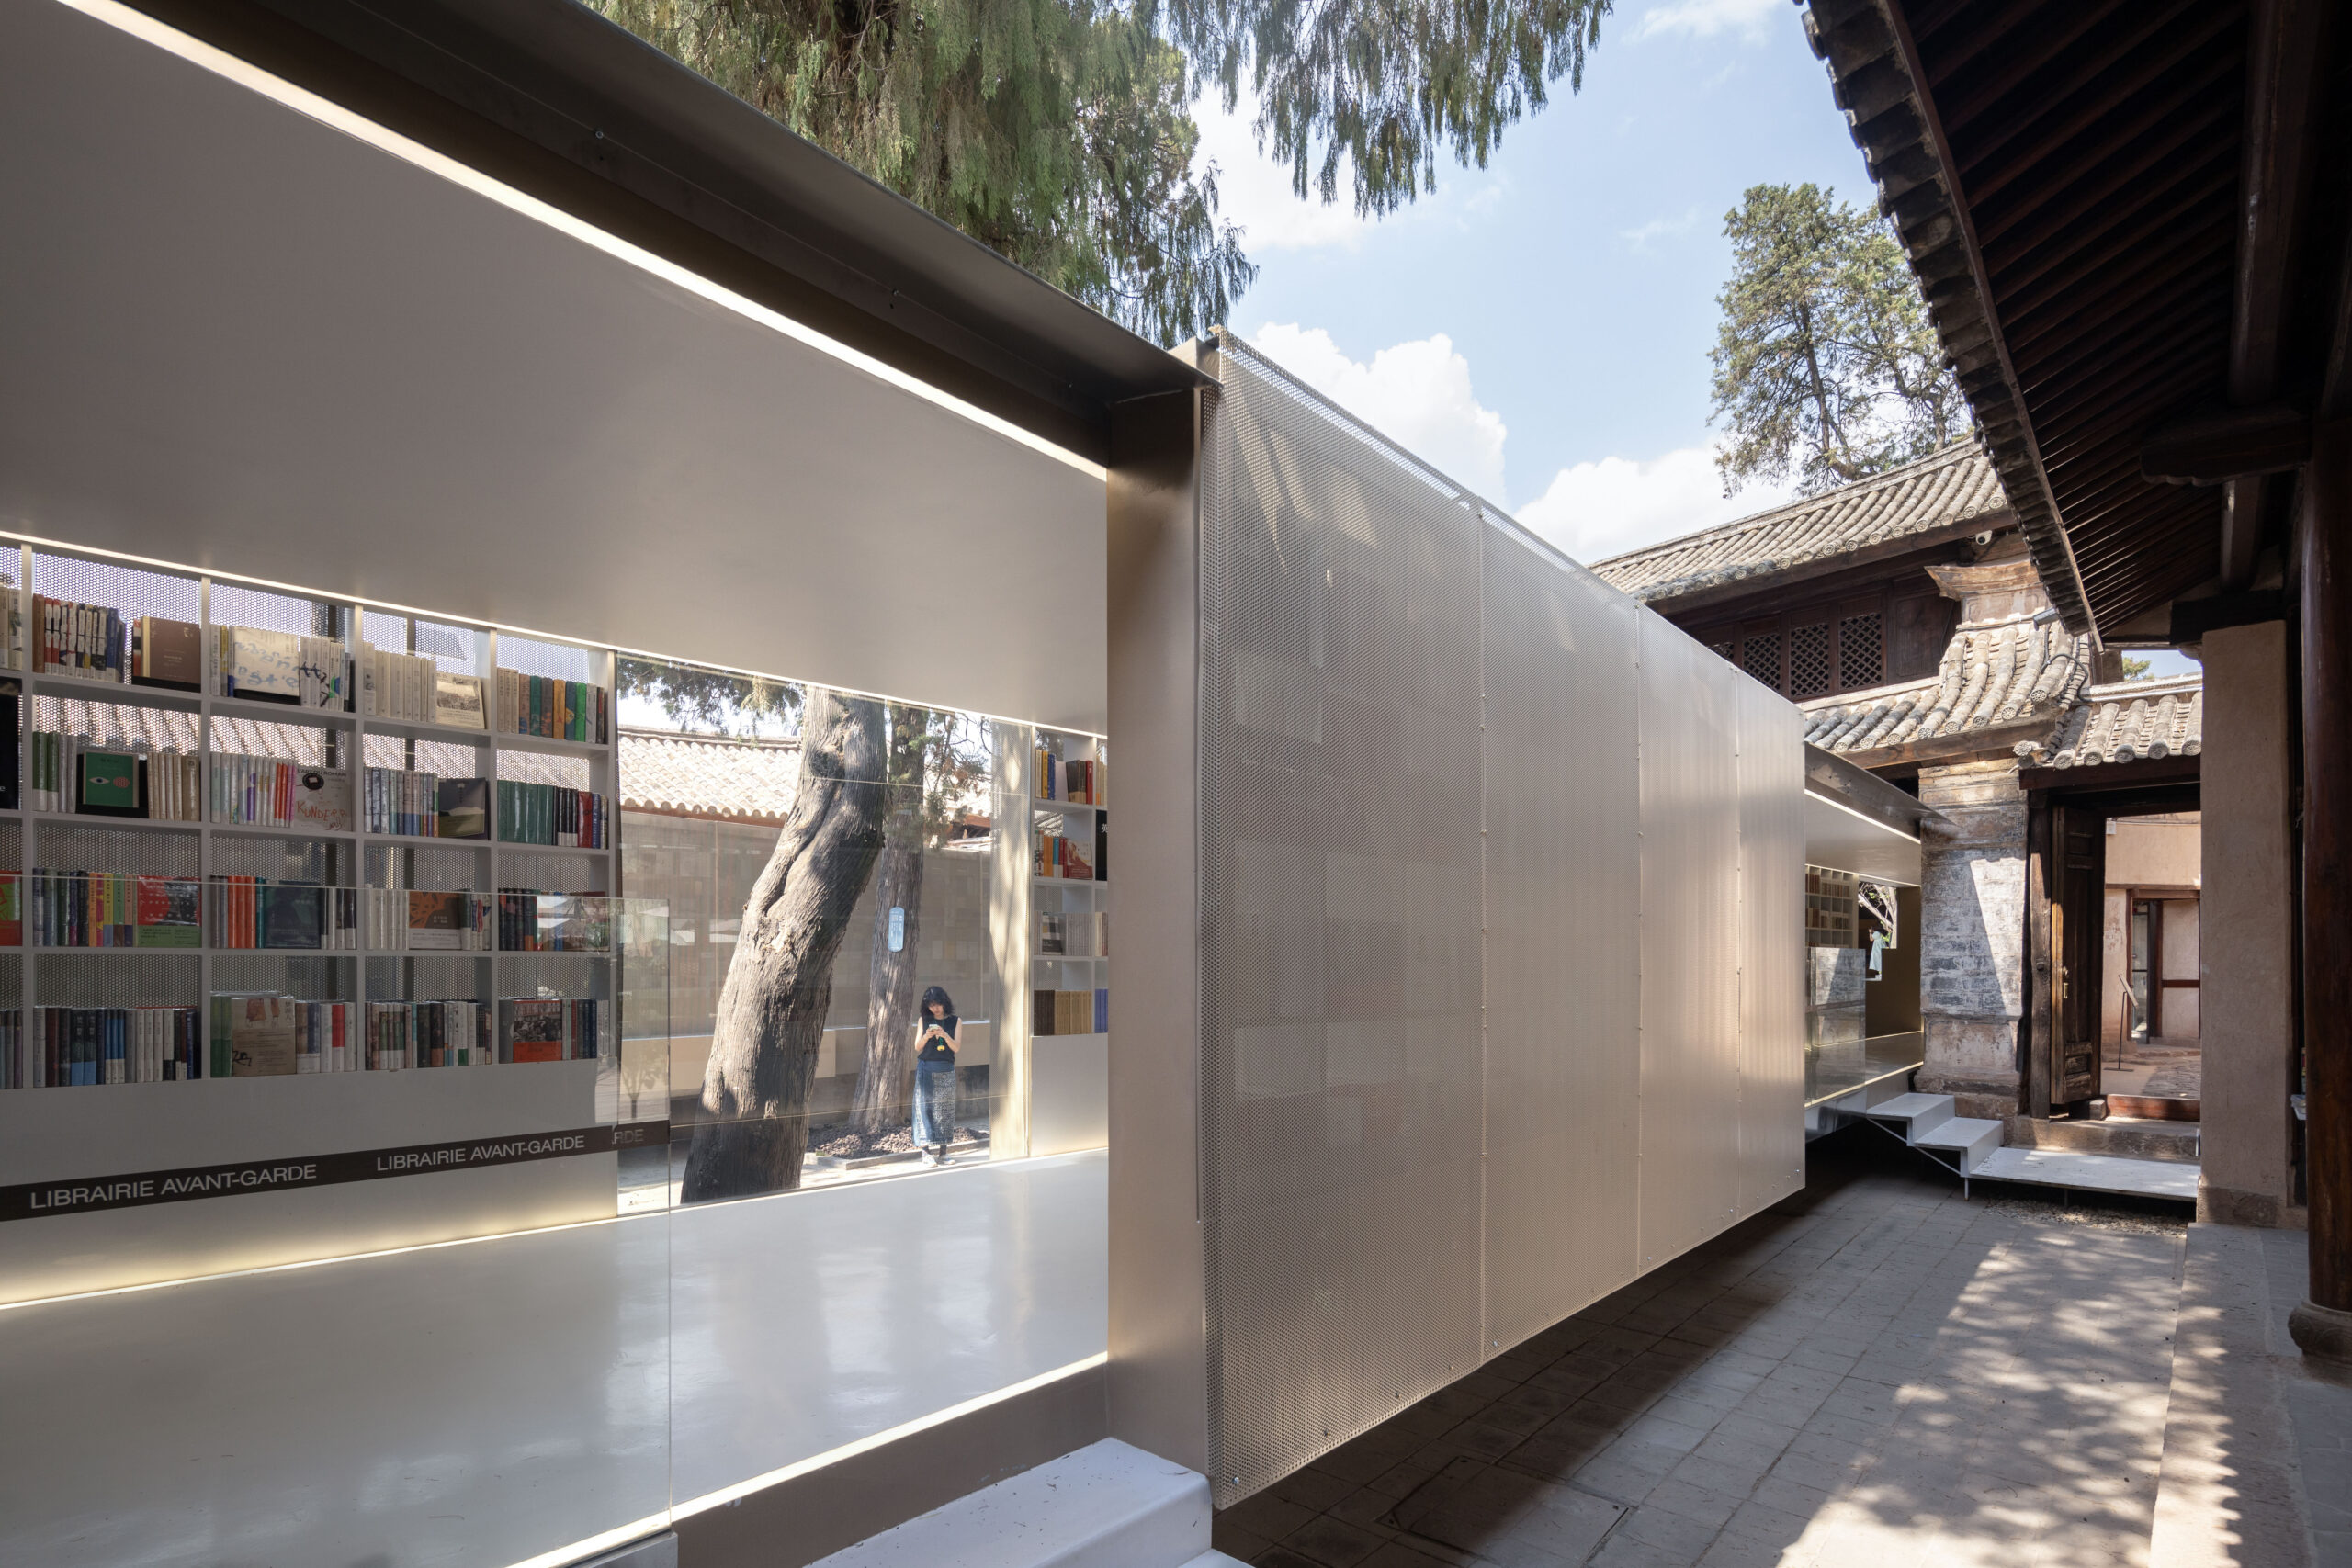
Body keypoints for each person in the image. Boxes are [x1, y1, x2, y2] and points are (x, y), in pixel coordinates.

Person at [911, 986, 962, 1165]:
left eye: (938, 1004)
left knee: (945, 1111)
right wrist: (927, 1036)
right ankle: (926, 1153)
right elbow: (917, 1047)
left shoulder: (955, 1021)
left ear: (944, 1002)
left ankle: (943, 1152)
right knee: (924, 1109)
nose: (935, 1009)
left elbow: (956, 1048)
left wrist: (944, 1035)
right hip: (926, 1067)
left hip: (946, 1068)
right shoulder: (924, 1020)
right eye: (931, 1005)